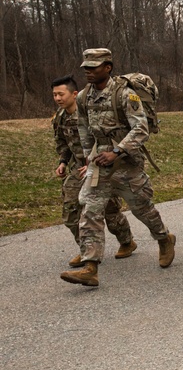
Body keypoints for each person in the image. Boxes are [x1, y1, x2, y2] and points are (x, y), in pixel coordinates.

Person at [60, 48, 175, 287]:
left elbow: (141, 129)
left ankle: (164, 238)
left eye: (94, 67)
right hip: (99, 164)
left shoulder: (125, 95)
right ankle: (90, 267)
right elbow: (83, 126)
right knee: (89, 209)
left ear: (108, 68)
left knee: (142, 209)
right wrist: (87, 156)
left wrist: (117, 151)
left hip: (127, 163)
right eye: (86, 68)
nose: (89, 71)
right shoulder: (83, 97)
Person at [51, 75, 134, 269]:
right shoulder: (60, 117)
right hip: (77, 168)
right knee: (71, 211)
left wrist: (92, 162)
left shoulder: (90, 113)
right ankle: (86, 251)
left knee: (110, 212)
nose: (57, 98)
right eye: (54, 95)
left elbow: (102, 138)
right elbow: (63, 143)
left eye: (61, 94)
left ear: (74, 94)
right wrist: (63, 162)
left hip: (100, 164)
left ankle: (127, 241)